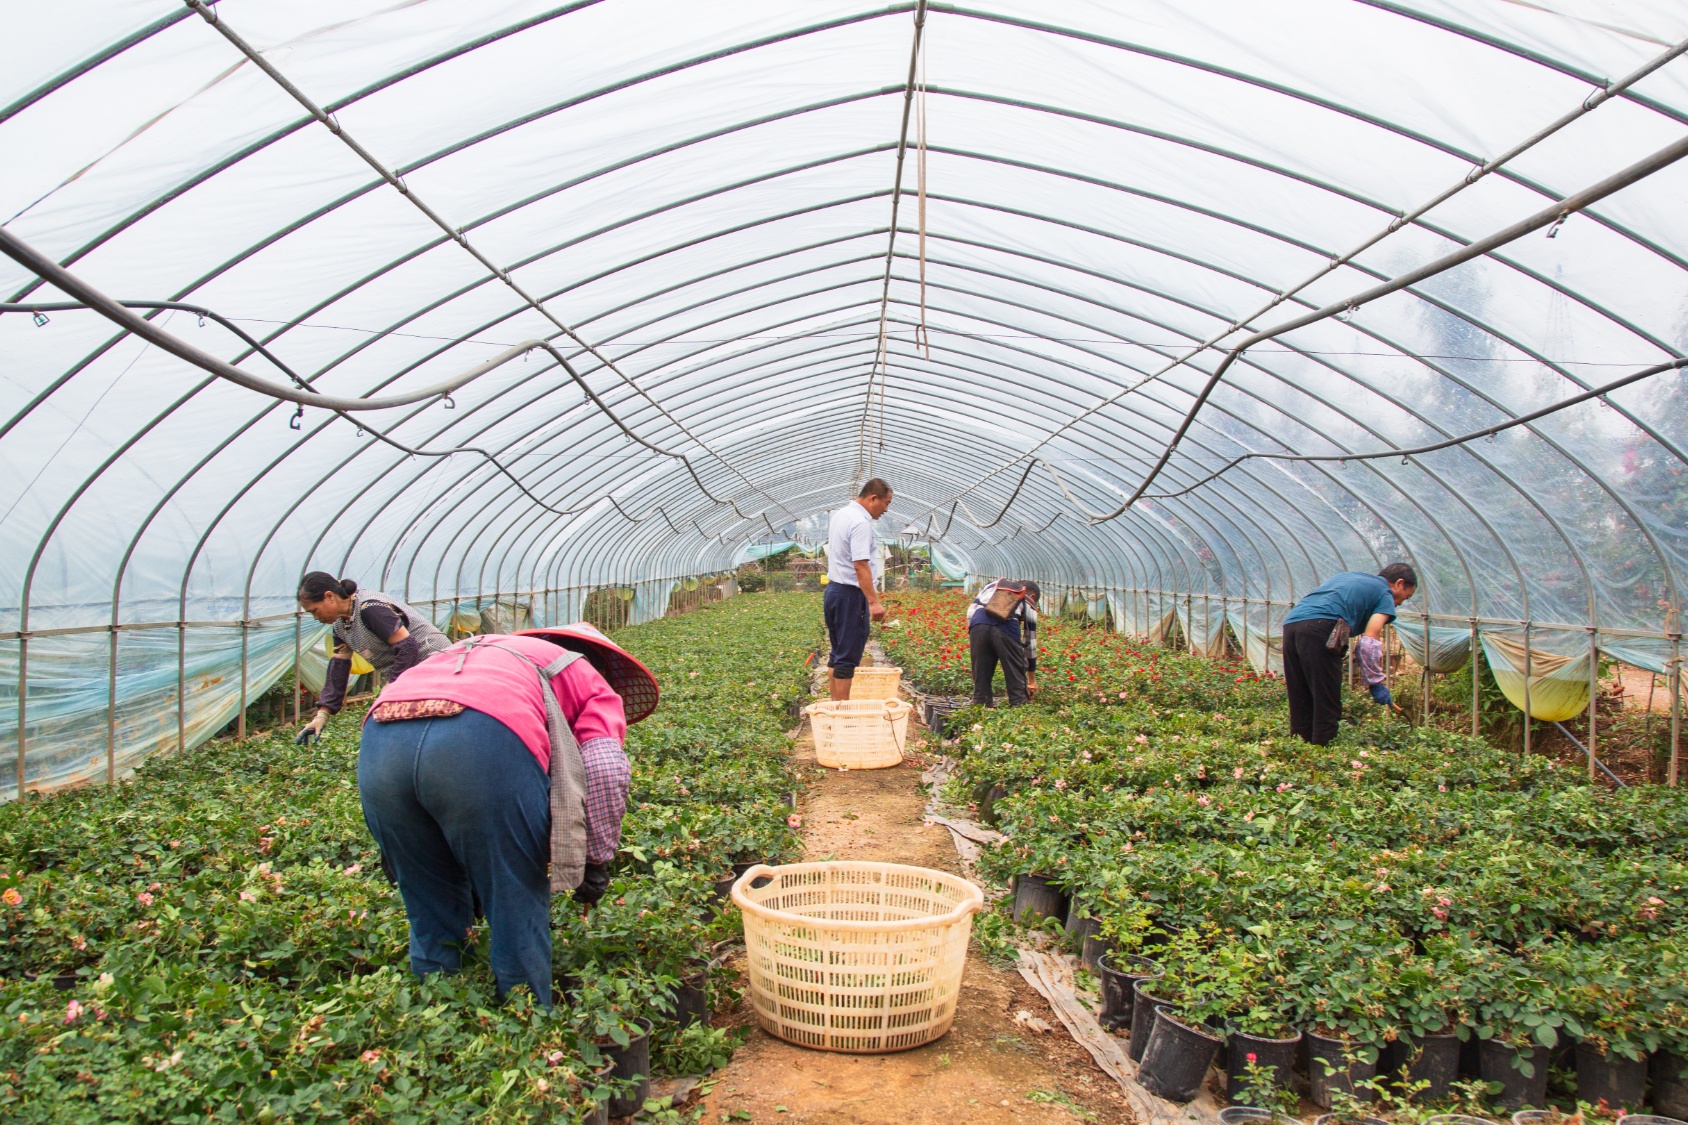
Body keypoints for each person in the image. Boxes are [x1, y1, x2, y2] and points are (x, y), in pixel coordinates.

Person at [356, 624, 660, 1006]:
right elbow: (603, 768)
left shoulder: (473, 651)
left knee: (428, 901)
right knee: (512, 892)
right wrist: (595, 859)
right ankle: (526, 1023)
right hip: (481, 738)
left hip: (381, 742)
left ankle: (438, 1020)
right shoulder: (586, 676)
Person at [294, 573, 452, 745]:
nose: (316, 618)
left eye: (314, 611)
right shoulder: (341, 626)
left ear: (329, 596)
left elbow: (407, 647)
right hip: (410, 673)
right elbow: (338, 668)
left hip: (437, 665)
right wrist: (321, 716)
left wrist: (391, 687)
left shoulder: (369, 609)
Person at [1280, 563, 1417, 745]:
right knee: (1326, 702)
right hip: (1320, 627)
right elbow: (1369, 643)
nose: (1399, 604)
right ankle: (1321, 760)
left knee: (1301, 696)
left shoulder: (1352, 577)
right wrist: (1375, 683)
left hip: (1292, 624)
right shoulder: (1385, 593)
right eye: (1405, 598)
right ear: (1399, 583)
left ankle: (1298, 752)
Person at [823, 478, 892, 700]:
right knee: (847, 657)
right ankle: (843, 712)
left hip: (834, 591)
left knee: (837, 653)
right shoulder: (860, 523)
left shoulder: (841, 515)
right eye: (886, 503)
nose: (886, 509)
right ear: (873, 498)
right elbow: (860, 564)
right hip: (850, 596)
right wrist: (873, 601)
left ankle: (836, 708)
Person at [967, 579, 1040, 708]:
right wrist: (1031, 680)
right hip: (1006, 628)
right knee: (1016, 678)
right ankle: (1019, 711)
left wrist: (977, 634)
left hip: (977, 625)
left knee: (981, 677)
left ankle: (980, 714)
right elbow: (1030, 644)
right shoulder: (1028, 599)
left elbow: (970, 612)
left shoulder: (993, 585)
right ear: (1033, 596)